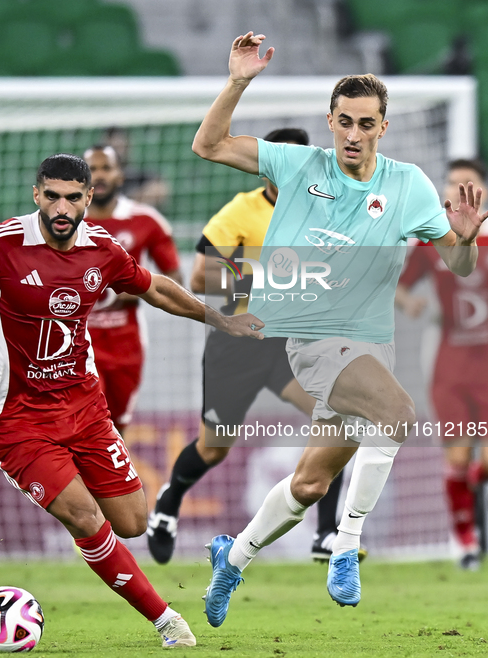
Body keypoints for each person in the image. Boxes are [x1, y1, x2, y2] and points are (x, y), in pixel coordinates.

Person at [191, 32, 488, 626]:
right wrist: (238, 81)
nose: (353, 134)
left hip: (370, 346)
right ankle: (346, 547)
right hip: (312, 338)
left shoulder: (408, 186)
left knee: (308, 485)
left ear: (384, 127)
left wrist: (466, 236)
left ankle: (233, 558)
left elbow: (458, 266)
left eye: (366, 123)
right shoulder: (299, 164)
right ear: (330, 121)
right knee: (399, 416)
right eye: (344, 121)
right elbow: (209, 144)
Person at [0, 153, 262, 646]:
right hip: (16, 418)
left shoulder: (103, 249)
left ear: (88, 199)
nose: (62, 207)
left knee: (131, 523)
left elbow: (157, 289)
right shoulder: (2, 244)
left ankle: (80, 512)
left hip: (84, 407)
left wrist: (223, 319)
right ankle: (167, 621)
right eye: (53, 196)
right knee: (85, 516)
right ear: (37, 195)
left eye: (73, 197)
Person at [147, 127, 362, 566]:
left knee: (338, 421)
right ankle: (169, 503)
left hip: (294, 343)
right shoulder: (241, 211)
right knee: (214, 447)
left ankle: (325, 534)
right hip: (238, 343)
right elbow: (199, 278)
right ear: (267, 165)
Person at [396, 159, 488, 570]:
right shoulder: (431, 242)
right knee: (457, 455)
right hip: (447, 363)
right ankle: (465, 543)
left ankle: (462, 491)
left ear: (484, 193)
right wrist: (411, 302)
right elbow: (400, 288)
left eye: (468, 183)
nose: (460, 190)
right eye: (453, 183)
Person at [84, 145, 182, 432]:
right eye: (92, 169)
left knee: (116, 428)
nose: (99, 176)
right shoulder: (66, 222)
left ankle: (110, 478)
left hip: (126, 344)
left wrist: (135, 290)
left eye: (106, 168)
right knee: (89, 423)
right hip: (78, 342)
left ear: (120, 176)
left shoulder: (146, 221)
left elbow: (175, 281)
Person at [102, 127, 170, 209]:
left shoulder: (137, 175)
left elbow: (160, 190)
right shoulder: (97, 178)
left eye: (120, 139)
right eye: (112, 139)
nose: (116, 142)